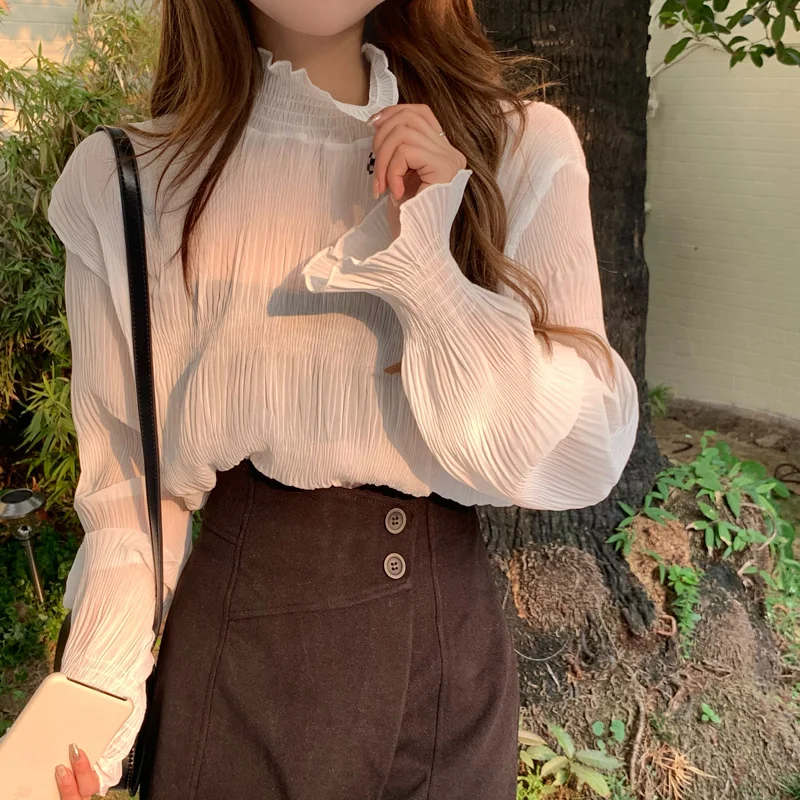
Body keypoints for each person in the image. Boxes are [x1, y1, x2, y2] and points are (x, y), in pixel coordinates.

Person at [43, 0, 639, 797]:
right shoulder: (134, 180)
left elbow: (580, 450)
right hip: (247, 661)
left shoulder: (521, 149)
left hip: (453, 669)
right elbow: (132, 498)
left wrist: (429, 265)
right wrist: (88, 719)